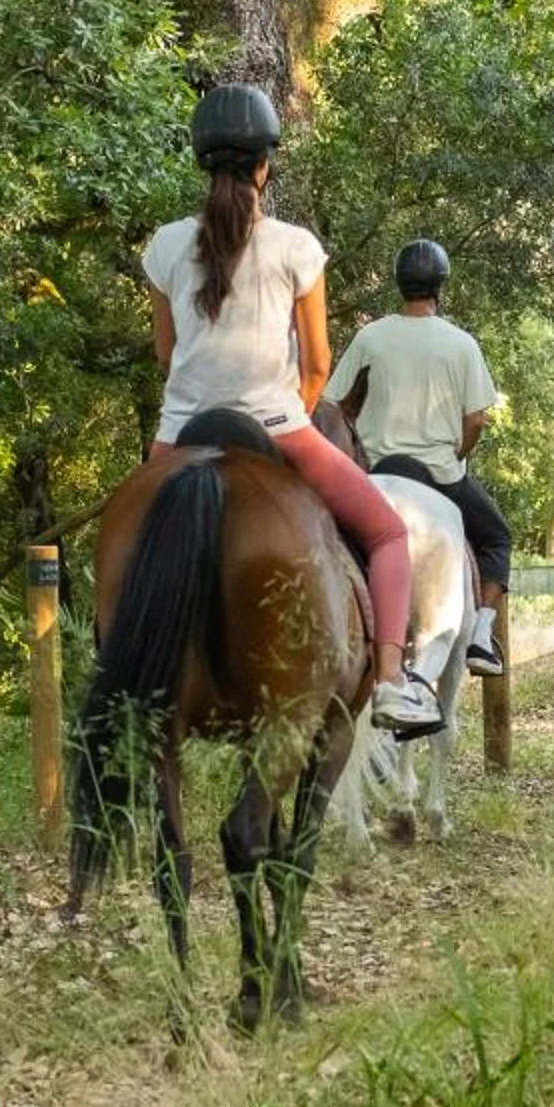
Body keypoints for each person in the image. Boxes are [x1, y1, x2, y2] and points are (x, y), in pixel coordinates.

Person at [143, 83, 442, 732]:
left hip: (178, 436)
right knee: (388, 533)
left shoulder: (165, 246)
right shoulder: (295, 247)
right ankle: (391, 682)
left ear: (202, 163)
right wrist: (288, 417)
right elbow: (315, 363)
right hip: (277, 428)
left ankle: (121, 672)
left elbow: (165, 356)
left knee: (132, 540)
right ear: (264, 165)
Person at [324, 239, 512, 675]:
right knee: (498, 537)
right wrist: (459, 453)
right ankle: (482, 638)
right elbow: (477, 420)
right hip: (440, 475)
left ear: (399, 284)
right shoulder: (461, 344)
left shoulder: (370, 336)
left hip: (376, 473)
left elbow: (332, 403)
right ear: (440, 287)